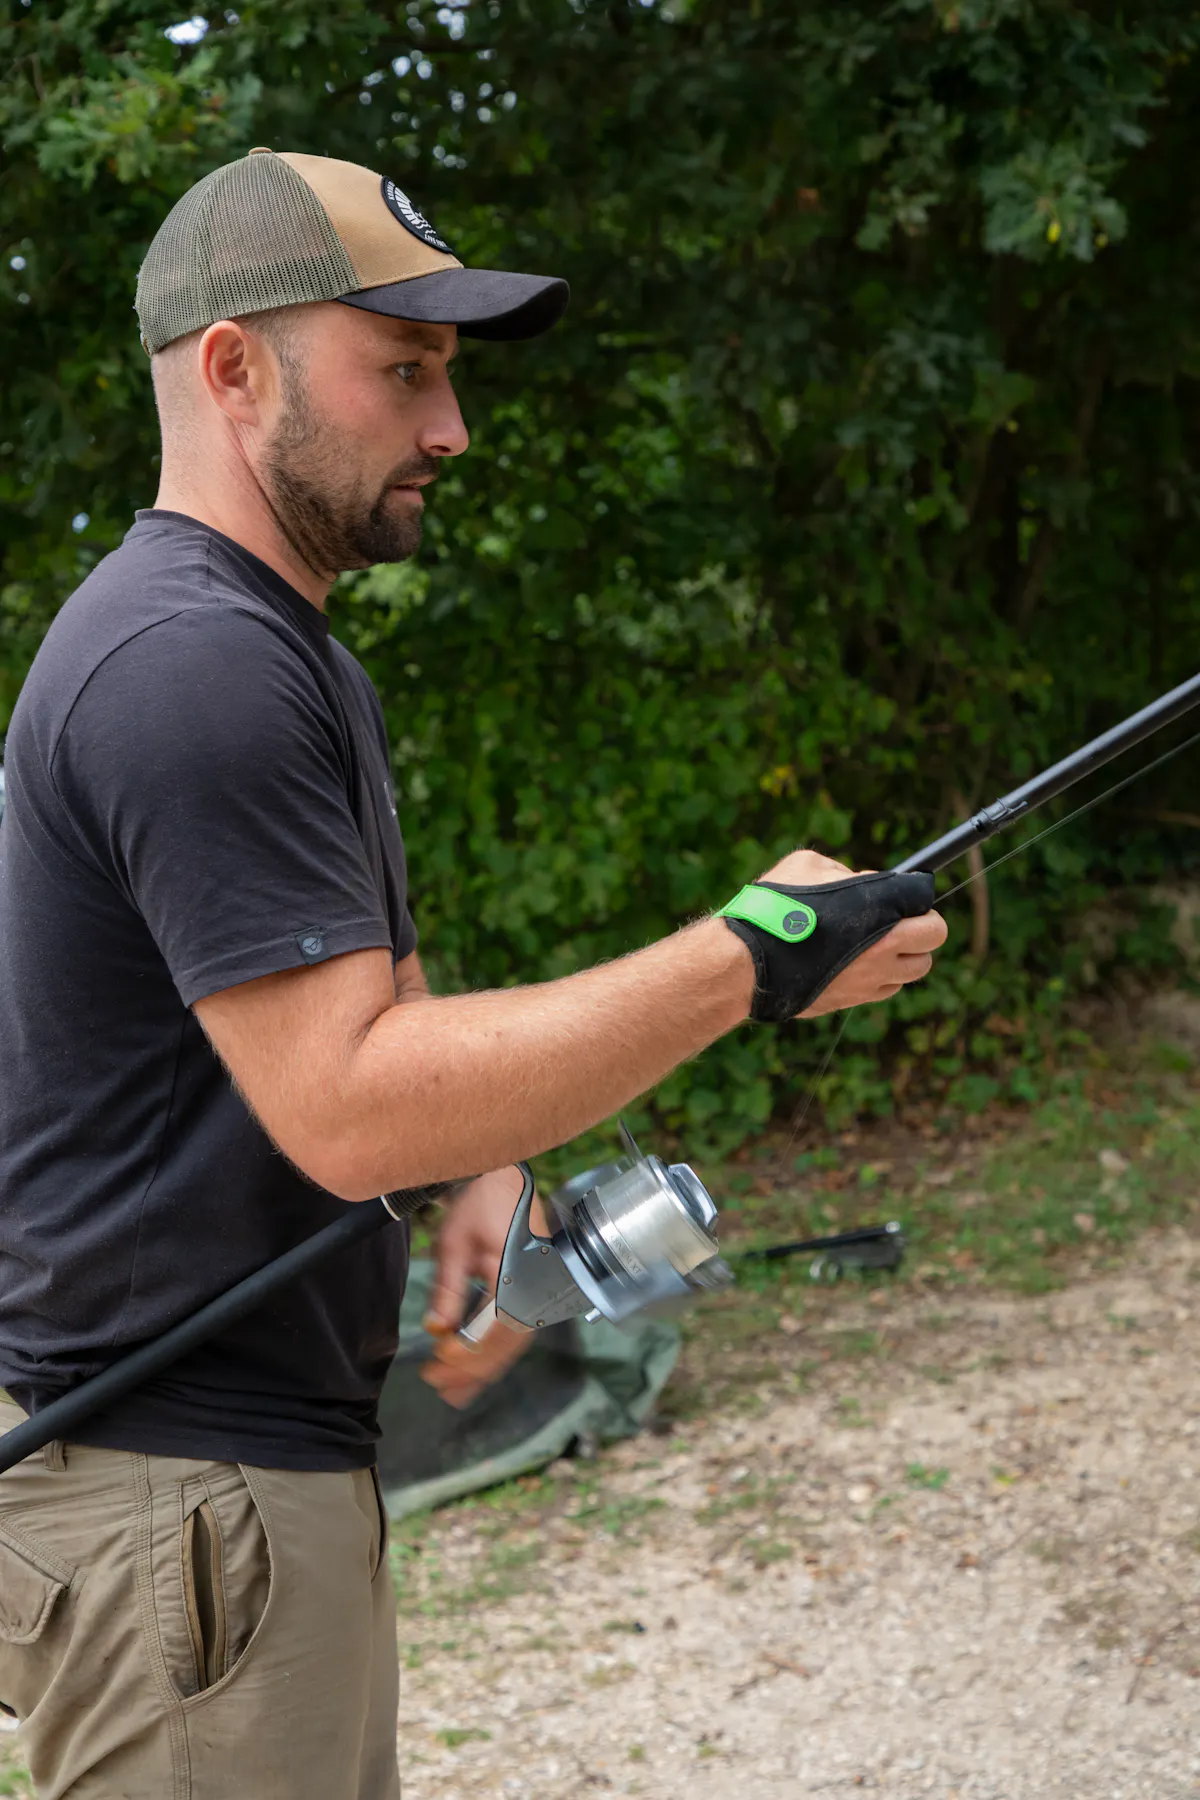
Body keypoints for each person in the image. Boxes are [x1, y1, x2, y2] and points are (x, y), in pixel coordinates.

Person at [0, 149, 947, 1799]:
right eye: (406, 370)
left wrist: (483, 1167)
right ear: (234, 367)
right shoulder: (190, 665)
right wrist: (747, 958)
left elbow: (369, 988)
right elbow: (347, 1110)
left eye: (447, 374)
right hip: (185, 1500)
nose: (452, 428)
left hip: (239, 1492)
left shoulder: (278, 649)